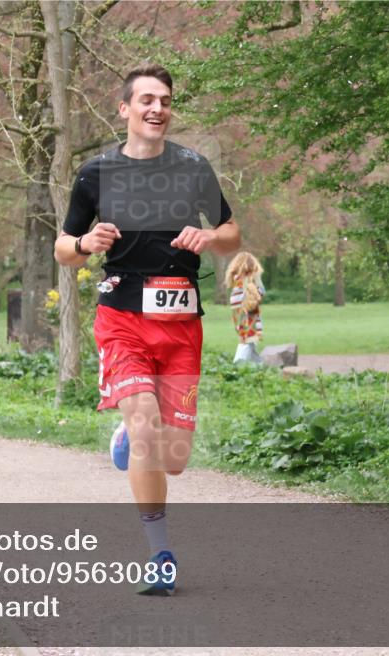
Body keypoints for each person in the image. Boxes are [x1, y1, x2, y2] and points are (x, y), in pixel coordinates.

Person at [54, 64, 241, 595]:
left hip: (181, 322)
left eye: (164, 100)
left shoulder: (192, 167)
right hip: (123, 317)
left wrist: (209, 237)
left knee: (173, 460)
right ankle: (159, 553)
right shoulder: (96, 174)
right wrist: (86, 244)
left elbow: (232, 232)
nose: (157, 108)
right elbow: (62, 248)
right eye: (147, 100)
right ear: (125, 109)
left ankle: (129, 437)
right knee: (144, 423)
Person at [226, 251, 265, 363]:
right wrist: (257, 279)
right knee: (246, 343)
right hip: (249, 319)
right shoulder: (247, 283)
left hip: (239, 319)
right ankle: (236, 367)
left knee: (250, 344)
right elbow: (261, 293)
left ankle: (260, 368)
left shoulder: (236, 283)